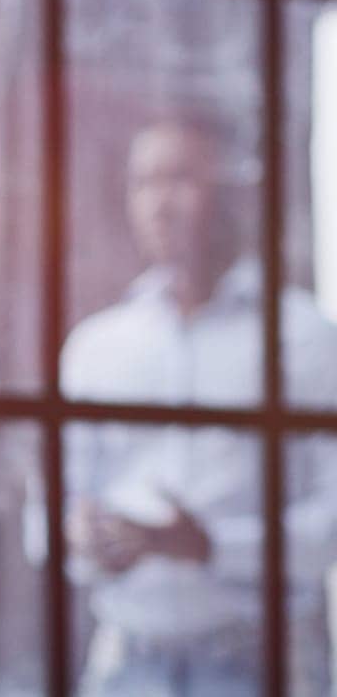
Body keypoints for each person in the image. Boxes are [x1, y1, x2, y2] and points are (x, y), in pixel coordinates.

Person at [27, 107, 337, 695]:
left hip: (259, 665)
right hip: (124, 667)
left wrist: (211, 546)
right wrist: (83, 536)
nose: (158, 203)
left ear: (231, 194)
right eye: (143, 182)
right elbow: (42, 521)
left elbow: (334, 517)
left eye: (180, 179)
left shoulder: (305, 339)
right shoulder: (97, 346)